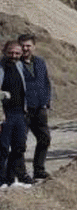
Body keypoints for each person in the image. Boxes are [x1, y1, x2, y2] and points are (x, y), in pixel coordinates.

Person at [17, 34, 53, 180]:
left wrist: (46, 101)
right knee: (20, 143)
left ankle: (39, 169)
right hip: (22, 110)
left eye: (28, 45)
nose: (25, 48)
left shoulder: (40, 62)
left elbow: (45, 82)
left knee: (44, 139)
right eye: (23, 45)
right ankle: (22, 174)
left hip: (39, 108)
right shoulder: (13, 63)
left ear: (34, 47)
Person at [0, 41, 31, 187]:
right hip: (4, 114)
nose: (14, 55)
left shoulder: (20, 66)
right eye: (11, 52)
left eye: (17, 53)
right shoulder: (1, 67)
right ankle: (1, 180)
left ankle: (12, 178)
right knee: (3, 148)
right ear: (4, 51)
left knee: (19, 147)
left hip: (20, 114)